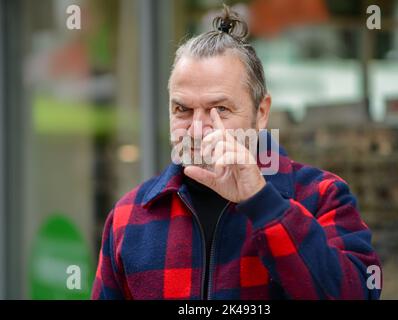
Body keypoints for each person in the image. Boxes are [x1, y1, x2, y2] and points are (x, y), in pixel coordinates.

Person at [91, 5, 382, 300]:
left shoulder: (321, 196)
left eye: (220, 109)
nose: (197, 129)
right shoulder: (130, 215)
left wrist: (263, 202)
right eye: (182, 109)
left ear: (262, 113)